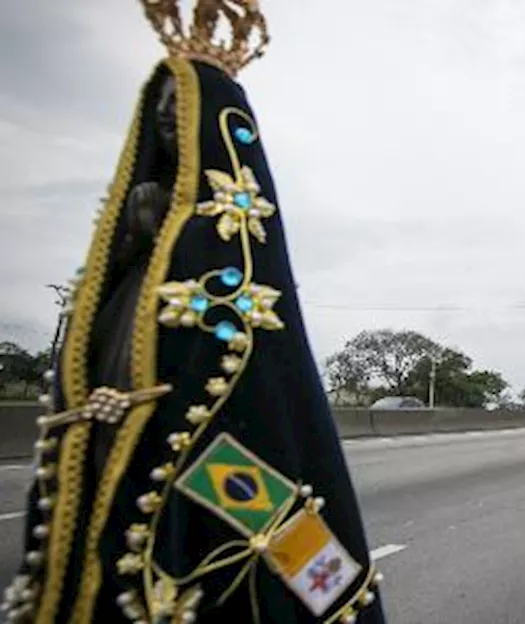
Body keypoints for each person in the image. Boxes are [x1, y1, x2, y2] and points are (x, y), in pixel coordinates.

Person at [3, 3, 385, 622]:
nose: (165, 133)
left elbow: (257, 412)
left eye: (177, 120)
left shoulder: (229, 263)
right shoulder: (117, 272)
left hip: (204, 481)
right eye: (156, 121)